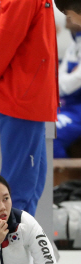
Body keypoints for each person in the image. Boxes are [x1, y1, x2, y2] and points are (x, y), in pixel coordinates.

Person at [0, 0, 57, 216]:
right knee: (20, 187)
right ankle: (9, 245)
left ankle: (20, 243)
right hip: (23, 99)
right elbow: (0, 45)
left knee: (31, 185)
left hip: (24, 96)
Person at [55, 17, 81, 158]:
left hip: (77, 112)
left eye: (73, 9)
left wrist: (64, 79)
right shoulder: (74, 45)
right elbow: (58, 82)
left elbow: (69, 85)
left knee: (50, 136)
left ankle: (60, 180)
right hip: (63, 107)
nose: (67, 15)